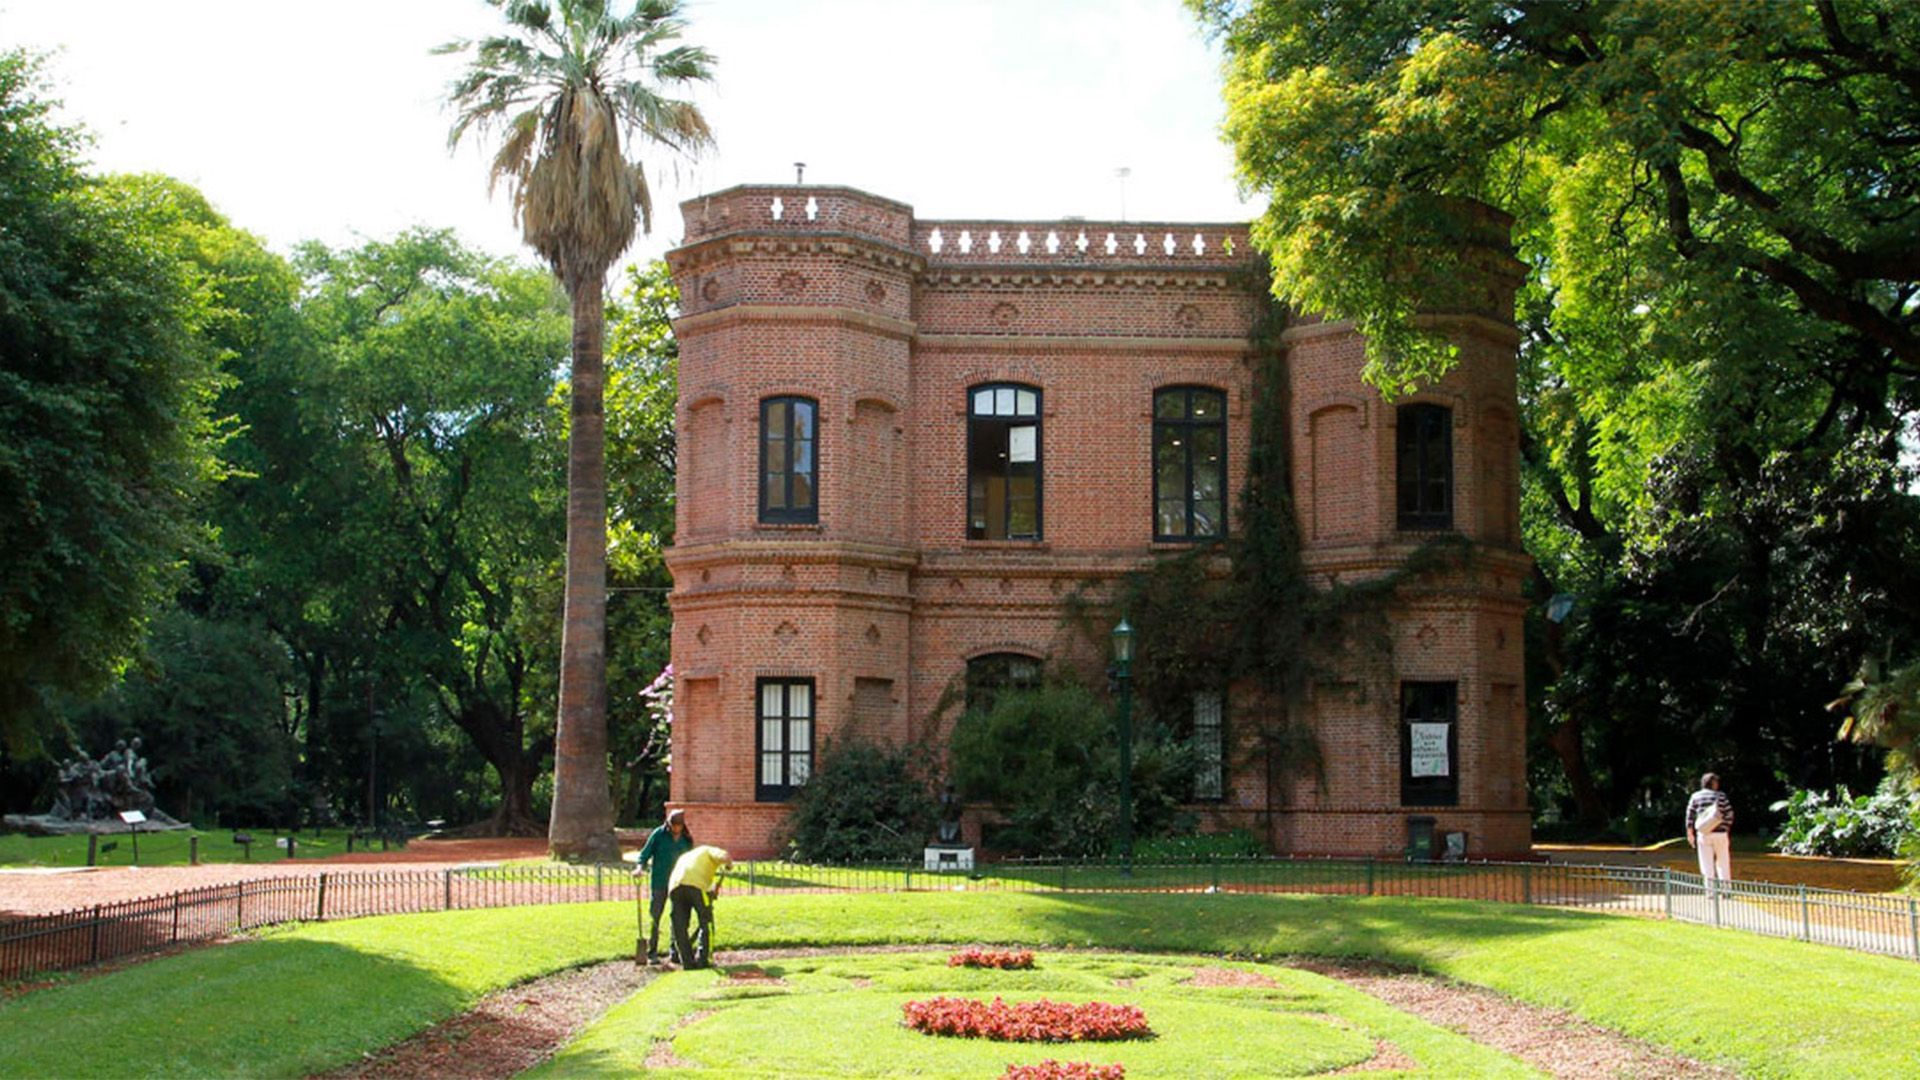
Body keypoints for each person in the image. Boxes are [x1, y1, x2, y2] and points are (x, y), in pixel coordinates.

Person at [631, 809, 695, 963]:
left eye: (679, 826)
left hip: (678, 883)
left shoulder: (686, 839)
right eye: (674, 826)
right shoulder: (658, 834)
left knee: (678, 917)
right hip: (660, 881)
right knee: (655, 916)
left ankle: (675, 951)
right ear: (669, 823)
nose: (676, 829)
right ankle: (652, 952)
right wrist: (639, 868)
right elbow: (644, 854)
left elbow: (691, 860)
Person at [667, 844, 732, 970]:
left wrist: (711, 891)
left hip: (675, 886)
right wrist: (729, 864)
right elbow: (724, 855)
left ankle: (687, 962)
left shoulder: (687, 857)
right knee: (706, 922)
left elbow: (698, 875)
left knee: (680, 926)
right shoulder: (708, 850)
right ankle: (704, 959)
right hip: (696, 885)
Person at [1685, 772, 1734, 886]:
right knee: (1723, 862)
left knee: (1706, 863)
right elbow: (1729, 814)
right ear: (1713, 783)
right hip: (1720, 834)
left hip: (1703, 833)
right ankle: (1726, 889)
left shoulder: (1695, 796)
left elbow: (1690, 816)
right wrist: (1725, 827)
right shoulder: (1721, 796)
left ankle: (1710, 891)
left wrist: (1690, 833)